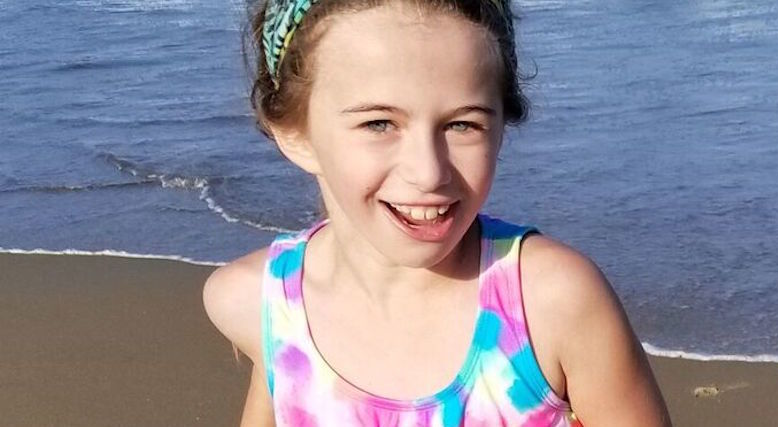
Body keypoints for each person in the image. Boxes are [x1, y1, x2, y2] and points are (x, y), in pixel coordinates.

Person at [201, 1, 670, 425]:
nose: (428, 173)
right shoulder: (256, 305)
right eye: (379, 123)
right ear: (295, 134)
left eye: (462, 124)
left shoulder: (552, 303)